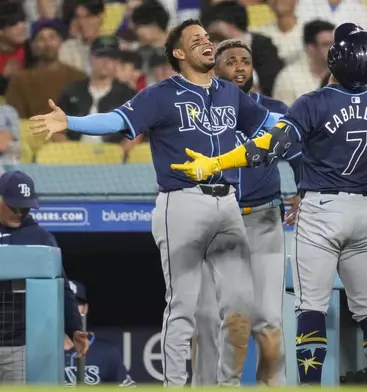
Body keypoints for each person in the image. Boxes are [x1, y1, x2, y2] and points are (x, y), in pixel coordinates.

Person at [29, 19, 280, 387]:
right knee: (183, 307)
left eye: (208, 38)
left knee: (242, 305)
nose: (207, 43)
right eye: (197, 40)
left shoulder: (229, 93)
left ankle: (227, 385)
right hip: (182, 203)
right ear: (179, 53)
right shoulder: (162, 94)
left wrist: (308, 122)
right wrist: (71, 121)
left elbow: (269, 121)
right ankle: (175, 385)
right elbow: (116, 119)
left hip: (227, 202)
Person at [171, 23, 367, 386]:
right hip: (366, 212)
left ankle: (310, 386)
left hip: (322, 209)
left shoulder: (313, 102)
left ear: (337, 59)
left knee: (311, 309)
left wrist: (215, 163)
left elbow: (267, 147)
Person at [191, 38, 301, 387]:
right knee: (211, 318)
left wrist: (302, 189)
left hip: (264, 219)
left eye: (245, 61)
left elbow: (297, 153)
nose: (240, 67)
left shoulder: (272, 108)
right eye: (230, 61)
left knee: (268, 320)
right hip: (217, 221)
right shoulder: (198, 110)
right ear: (215, 68)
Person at [0, 170, 90, 383]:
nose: (20, 212)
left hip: (18, 346)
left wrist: (74, 328)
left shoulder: (40, 237)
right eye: (14, 206)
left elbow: (62, 286)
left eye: (25, 207)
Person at [64, 280, 135, 387]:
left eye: (76, 303)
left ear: (85, 308)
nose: (72, 308)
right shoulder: (37, 353)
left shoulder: (107, 352)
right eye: (65, 303)